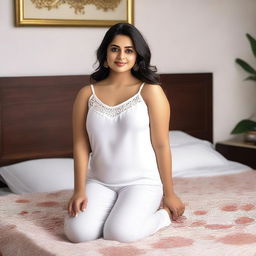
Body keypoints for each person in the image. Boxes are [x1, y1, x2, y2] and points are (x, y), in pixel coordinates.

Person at [64, 22, 185, 243]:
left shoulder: (151, 91)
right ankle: (112, 209)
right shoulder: (86, 94)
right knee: (77, 233)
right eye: (115, 49)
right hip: (99, 181)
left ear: (138, 55)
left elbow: (161, 145)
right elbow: (81, 146)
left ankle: (162, 217)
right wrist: (79, 190)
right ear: (105, 53)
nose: (121, 56)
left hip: (142, 182)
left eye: (129, 50)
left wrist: (169, 194)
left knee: (119, 233)